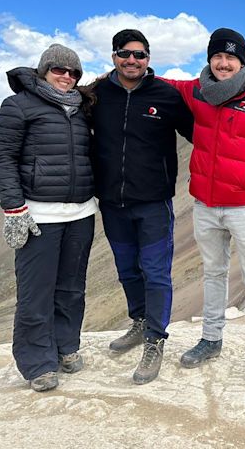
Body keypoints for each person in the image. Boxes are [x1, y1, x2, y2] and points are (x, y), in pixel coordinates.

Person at [165, 27, 245, 388]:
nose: (223, 63)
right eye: (217, 57)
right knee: (213, 273)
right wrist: (127, 72)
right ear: (210, 59)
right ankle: (211, 339)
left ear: (242, 61)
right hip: (206, 205)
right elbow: (168, 86)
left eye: (230, 58)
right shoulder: (199, 91)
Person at [90, 29, 193, 385]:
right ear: (113, 56)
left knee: (155, 271)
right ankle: (138, 322)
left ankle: (155, 340)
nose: (131, 60)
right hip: (112, 202)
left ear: (149, 58)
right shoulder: (97, 94)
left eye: (139, 55)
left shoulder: (165, 96)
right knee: (127, 270)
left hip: (153, 203)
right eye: (124, 53)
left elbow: (201, 133)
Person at [0, 44, 96, 392]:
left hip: (81, 213)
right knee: (36, 291)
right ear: (43, 71)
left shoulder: (83, 108)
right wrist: (14, 207)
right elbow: (4, 158)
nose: (67, 76)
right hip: (37, 214)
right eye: (59, 70)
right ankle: (38, 362)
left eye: (73, 72)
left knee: (70, 289)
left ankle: (66, 347)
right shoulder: (18, 106)